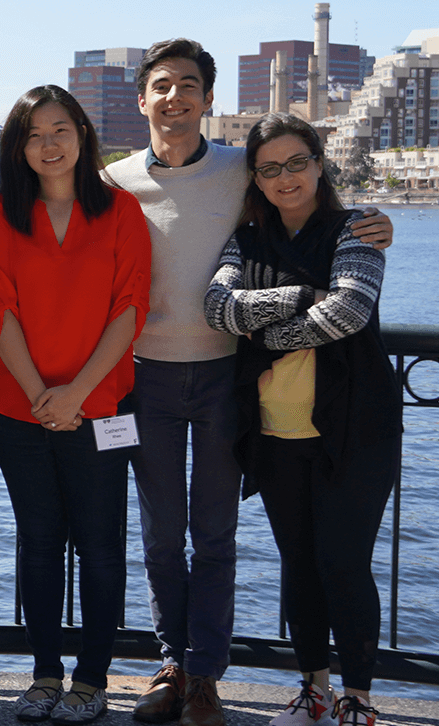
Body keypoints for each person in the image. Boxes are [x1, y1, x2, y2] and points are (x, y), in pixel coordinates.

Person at [102, 39, 394, 726]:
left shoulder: (243, 166)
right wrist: (300, 300)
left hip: (226, 381)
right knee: (159, 536)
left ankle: (206, 672)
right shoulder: (114, 183)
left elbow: (321, 222)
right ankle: (172, 661)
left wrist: (371, 225)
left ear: (207, 99)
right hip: (147, 375)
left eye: (190, 86)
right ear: (143, 99)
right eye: (163, 86)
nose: (176, 98)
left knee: (216, 534)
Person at [203, 113, 399, 726]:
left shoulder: (356, 229)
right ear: (255, 179)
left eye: (296, 163)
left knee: (344, 562)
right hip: (275, 431)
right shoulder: (246, 240)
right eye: (269, 168)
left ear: (318, 163)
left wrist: (262, 338)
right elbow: (216, 307)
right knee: (300, 562)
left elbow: (349, 312)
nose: (285, 178)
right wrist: (297, 298)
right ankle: (313, 691)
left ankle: (358, 698)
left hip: (355, 430)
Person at [0, 85, 150, 724]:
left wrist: (75, 394)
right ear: (18, 147)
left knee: (102, 545)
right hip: (18, 409)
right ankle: (46, 675)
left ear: (82, 134)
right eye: (33, 134)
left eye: (60, 130)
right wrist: (40, 397)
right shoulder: (3, 213)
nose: (48, 145)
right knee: (40, 541)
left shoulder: (122, 211)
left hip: (102, 407)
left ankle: (93, 681)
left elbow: (131, 306)